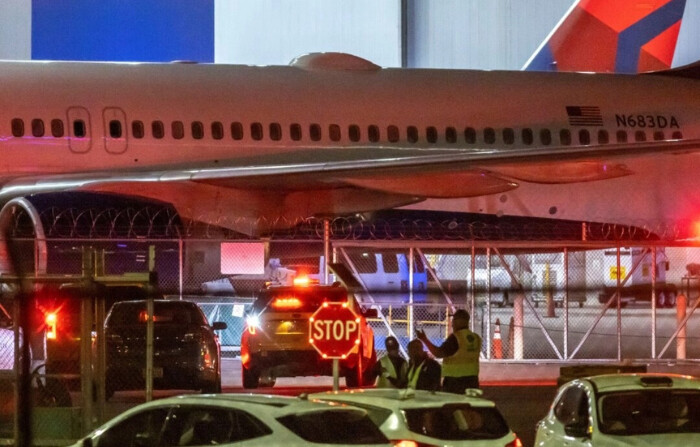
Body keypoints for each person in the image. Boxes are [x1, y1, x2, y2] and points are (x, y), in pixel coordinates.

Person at [416, 309, 481, 393]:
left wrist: (424, 339)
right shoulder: (476, 338)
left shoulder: (456, 338)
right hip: (473, 381)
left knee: (454, 405)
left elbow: (438, 353)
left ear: (458, 321)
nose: (452, 324)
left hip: (455, 382)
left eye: (453, 320)